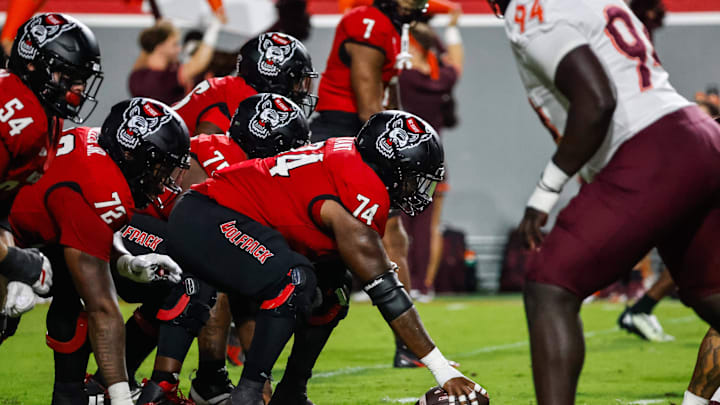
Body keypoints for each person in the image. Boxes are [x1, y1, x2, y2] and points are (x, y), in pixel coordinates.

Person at [487, 0, 720, 404]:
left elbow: (596, 101)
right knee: (710, 295)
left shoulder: (530, 10)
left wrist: (544, 192)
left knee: (550, 284)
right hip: (699, 136)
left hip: (653, 149)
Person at [169, 109, 488, 404]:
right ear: (389, 168)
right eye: (412, 177)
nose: (416, 188)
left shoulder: (353, 155)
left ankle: (291, 391)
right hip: (210, 216)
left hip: (240, 223)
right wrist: (443, 370)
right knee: (296, 280)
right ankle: (248, 393)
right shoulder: (360, 188)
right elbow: (387, 293)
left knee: (334, 289)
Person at [131, 94, 311, 405]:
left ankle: (117, 380)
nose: (293, 156)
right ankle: (164, 390)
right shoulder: (234, 164)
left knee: (240, 278)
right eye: (289, 146)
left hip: (160, 232)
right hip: (132, 227)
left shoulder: (240, 159)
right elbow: (203, 242)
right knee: (200, 279)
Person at [9, 97, 190, 404]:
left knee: (69, 290)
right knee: (17, 314)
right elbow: (104, 310)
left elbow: (91, 229)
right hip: (10, 236)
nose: (164, 181)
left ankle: (68, 395)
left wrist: (126, 261)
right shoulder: (101, 184)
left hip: (25, 233)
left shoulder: (97, 147)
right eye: (161, 167)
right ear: (133, 152)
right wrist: (120, 398)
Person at [311, 0, 430, 368]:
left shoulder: (393, 25)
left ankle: (409, 347)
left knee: (392, 236)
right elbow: (367, 105)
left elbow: (386, 95)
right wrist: (396, 148)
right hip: (349, 133)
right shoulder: (367, 23)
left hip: (363, 132)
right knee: (383, 237)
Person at [0, 12, 104, 343]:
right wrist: (20, 262)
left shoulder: (43, 115)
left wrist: (7, 246)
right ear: (33, 65)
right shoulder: (22, 122)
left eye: (82, 79)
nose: (77, 89)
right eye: (68, 76)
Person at [398, 8, 463, 299]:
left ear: (414, 46)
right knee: (427, 227)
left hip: (401, 160)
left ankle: (402, 284)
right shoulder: (444, 79)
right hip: (433, 161)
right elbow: (456, 62)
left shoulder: (405, 78)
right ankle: (425, 286)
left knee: (399, 225)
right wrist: (452, 29)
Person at [173, 31, 318, 135]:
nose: (301, 90)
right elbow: (203, 146)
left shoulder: (238, 90)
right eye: (297, 80)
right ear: (274, 76)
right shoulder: (238, 97)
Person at [129, 18, 222, 105]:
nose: (179, 49)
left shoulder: (136, 76)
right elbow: (198, 64)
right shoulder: (161, 79)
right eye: (174, 44)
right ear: (160, 47)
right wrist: (214, 27)